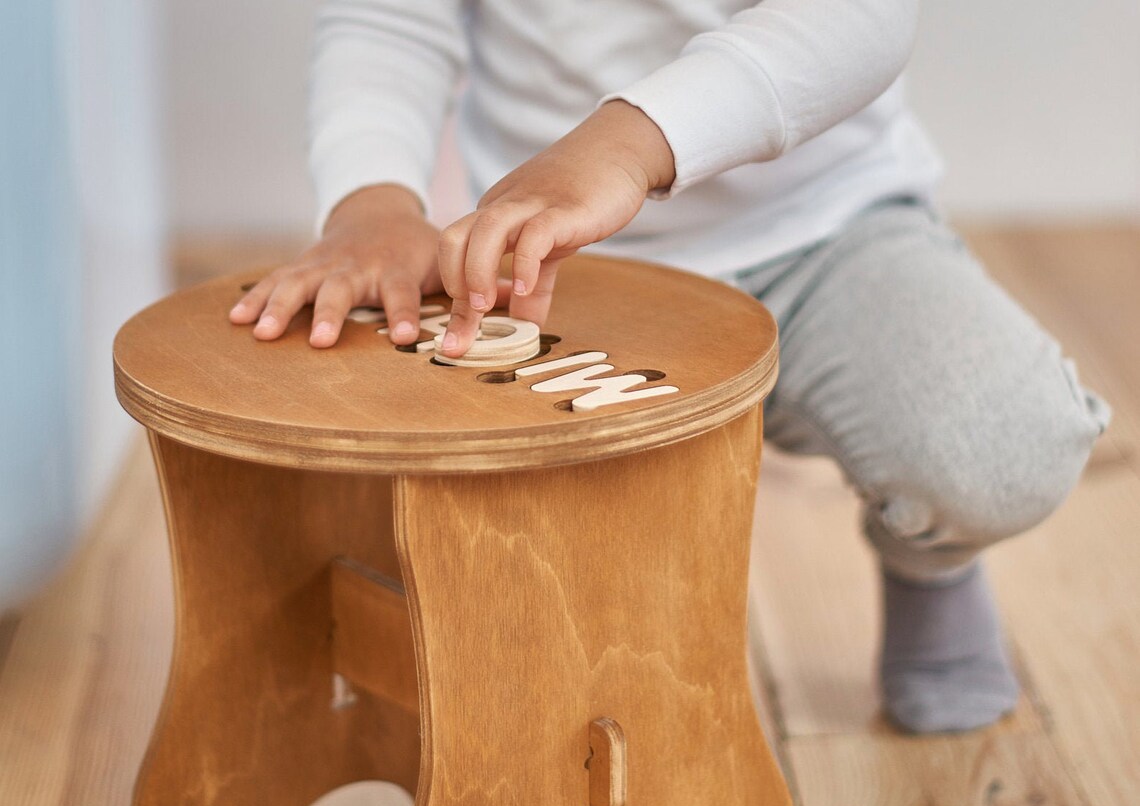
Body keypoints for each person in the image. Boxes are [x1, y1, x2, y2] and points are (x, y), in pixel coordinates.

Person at [229, 0, 1110, 733]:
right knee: (536, 617)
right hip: (561, 263)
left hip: (827, 229)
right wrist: (372, 197)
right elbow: (388, 19)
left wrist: (625, 144)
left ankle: (933, 561)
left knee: (1002, 449)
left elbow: (858, 18)